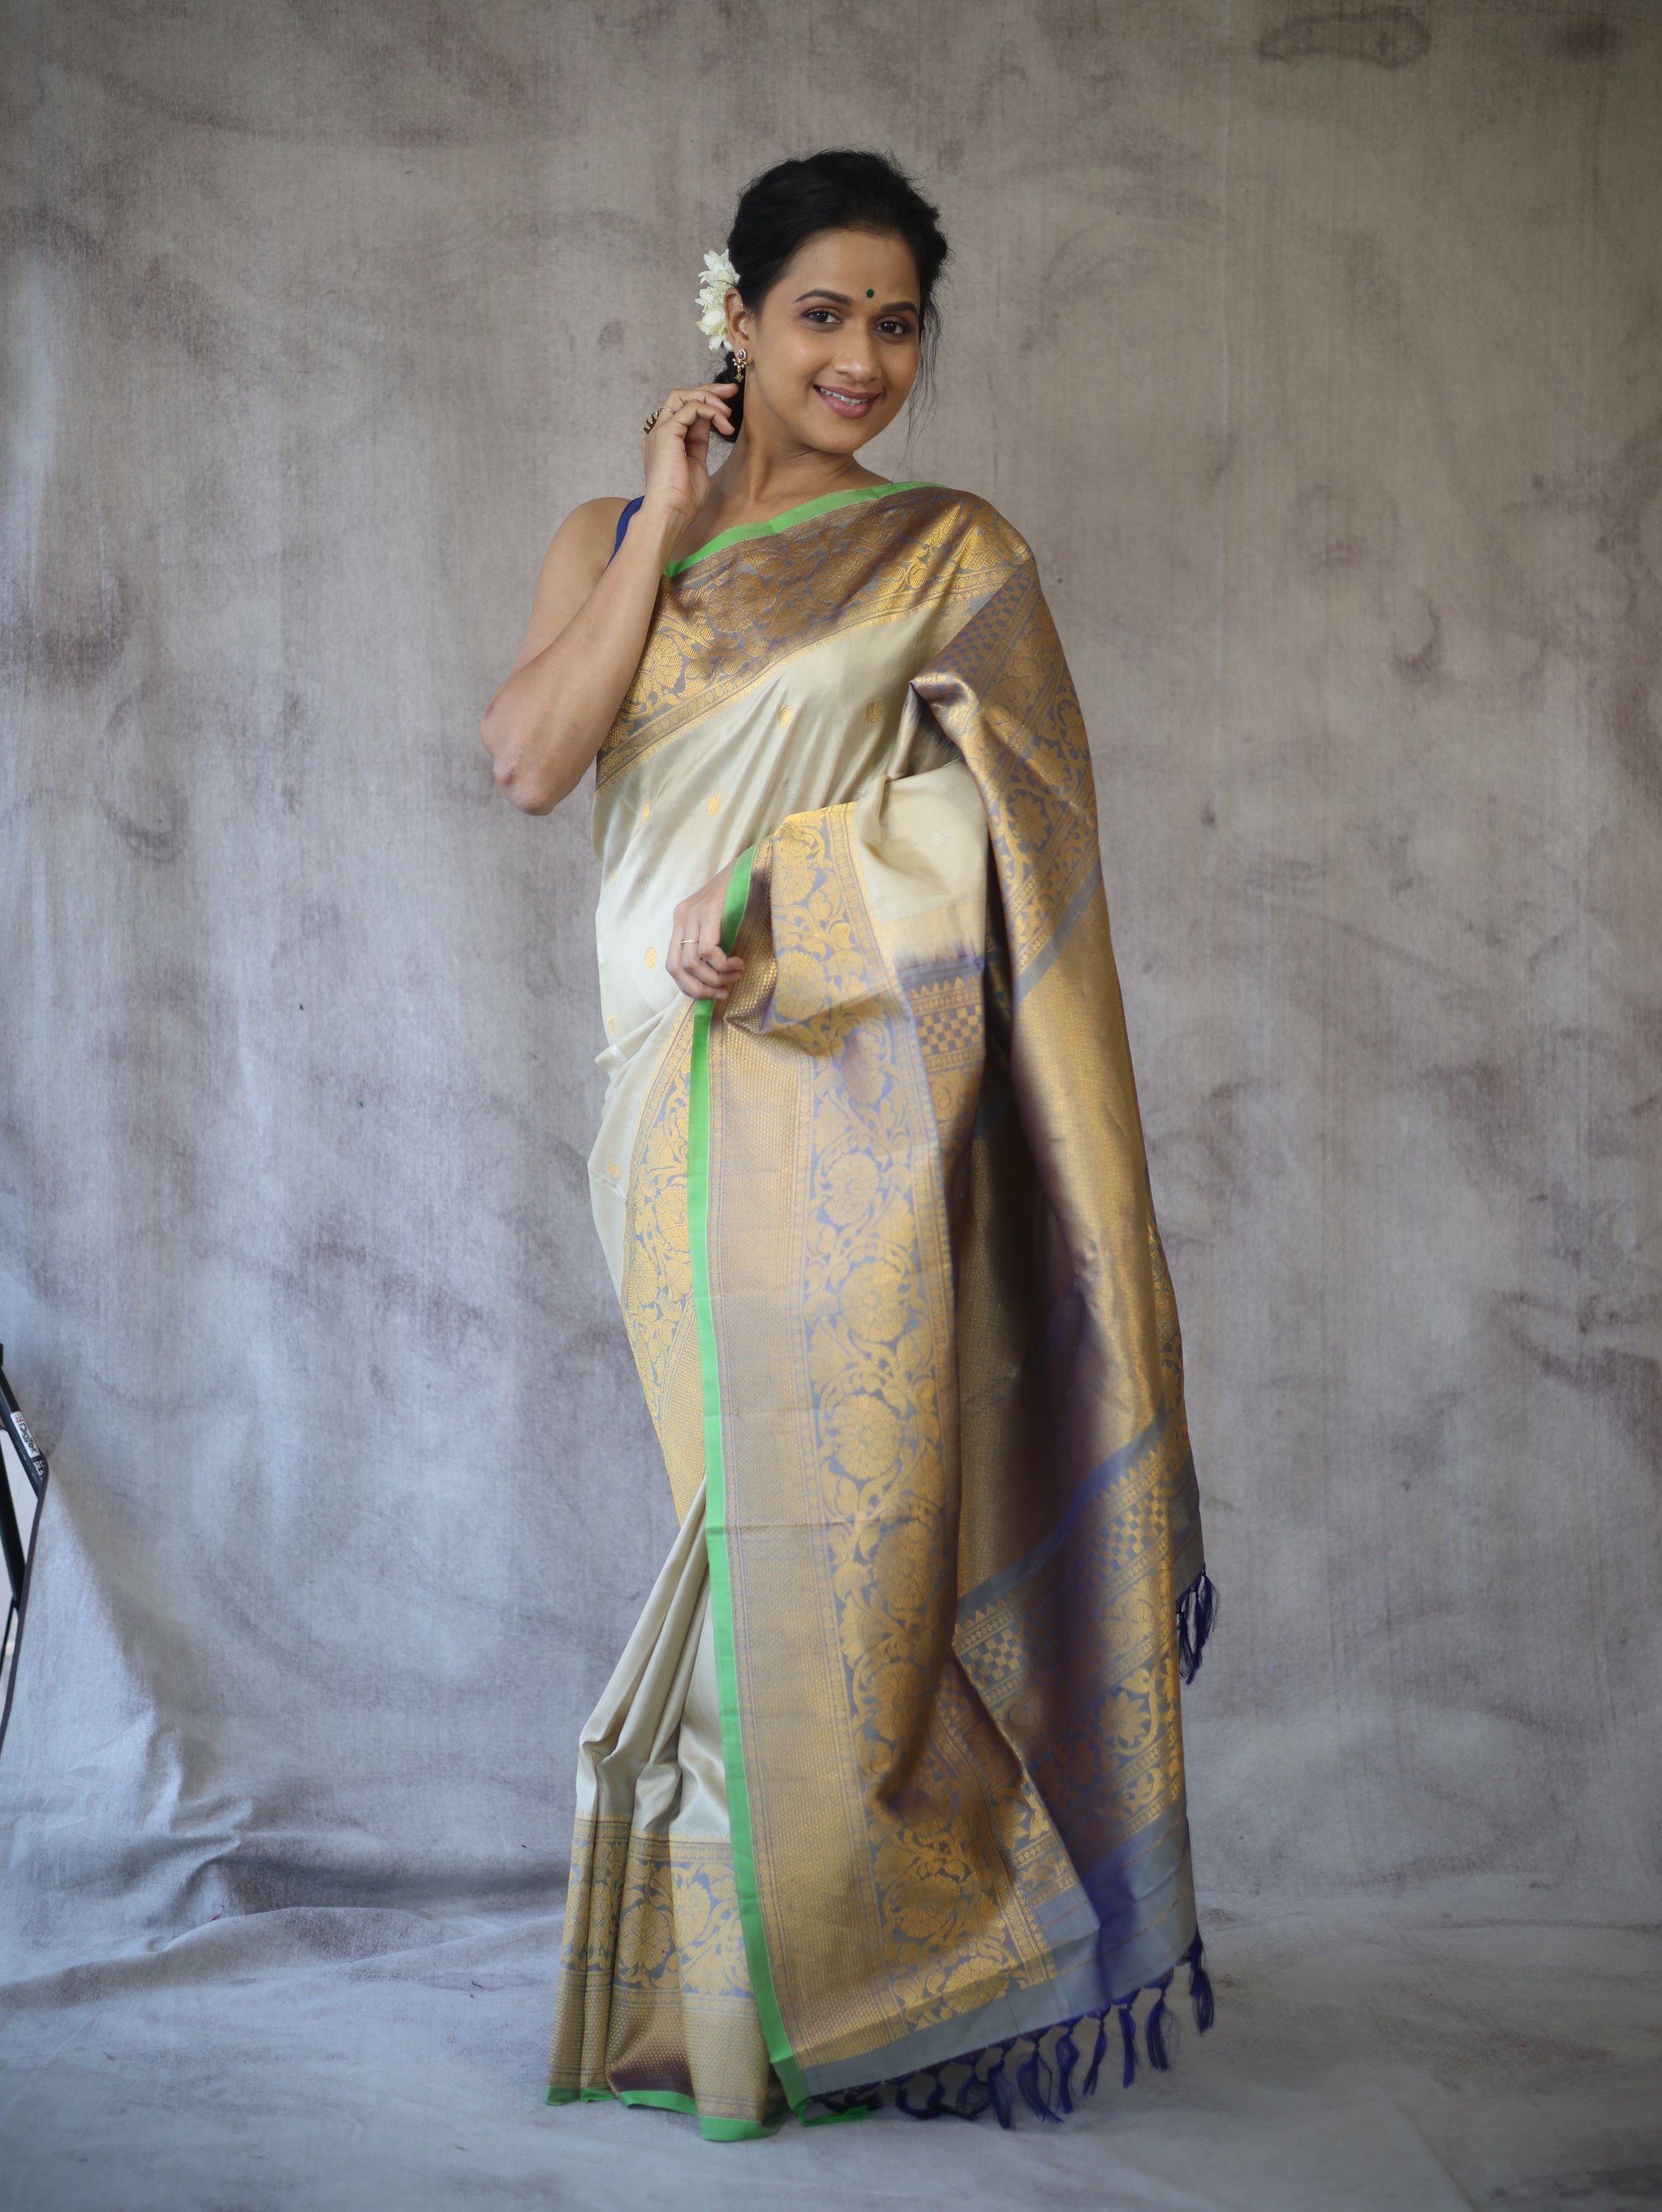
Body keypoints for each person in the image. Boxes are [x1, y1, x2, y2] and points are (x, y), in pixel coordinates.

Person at [480, 149, 1217, 2143]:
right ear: (734, 317)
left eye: (896, 323)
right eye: (821, 314)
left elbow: (1013, 829)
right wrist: (666, 517)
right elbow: (532, 758)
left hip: (846, 1086)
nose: (863, 358)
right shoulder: (607, 535)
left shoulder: (948, 551)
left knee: (820, 1545)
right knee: (744, 1525)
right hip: (659, 1088)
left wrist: (788, 895)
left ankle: (775, 2015)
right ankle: (825, 1982)